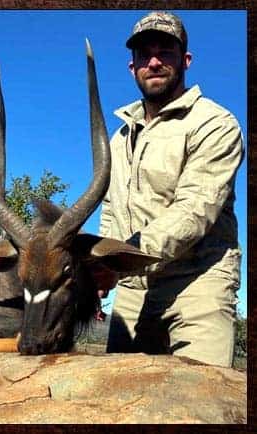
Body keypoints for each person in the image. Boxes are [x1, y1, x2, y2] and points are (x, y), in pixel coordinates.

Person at [98, 11, 244, 367]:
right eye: (144, 55)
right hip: (133, 289)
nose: (154, 61)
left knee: (205, 403)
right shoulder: (118, 139)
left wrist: (119, 261)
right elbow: (111, 209)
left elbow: (194, 210)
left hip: (197, 283)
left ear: (186, 61)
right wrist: (98, 268)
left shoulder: (216, 124)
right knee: (117, 400)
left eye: (166, 52)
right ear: (132, 68)